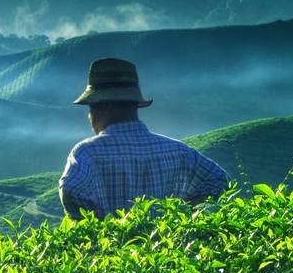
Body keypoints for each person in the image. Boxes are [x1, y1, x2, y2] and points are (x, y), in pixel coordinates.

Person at [59, 58, 230, 220]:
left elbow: (71, 189)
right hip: (169, 249)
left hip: (110, 249)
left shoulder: (87, 153)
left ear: (104, 106)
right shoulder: (178, 151)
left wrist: (100, 224)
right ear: (135, 105)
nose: (89, 117)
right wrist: (183, 216)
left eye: (90, 109)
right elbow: (219, 181)